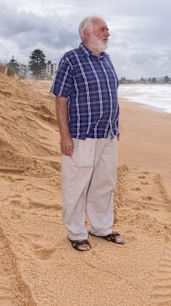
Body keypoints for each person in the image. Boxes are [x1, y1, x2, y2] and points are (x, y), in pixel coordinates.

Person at [50, 15, 124, 251]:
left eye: (107, 29)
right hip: (82, 135)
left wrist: (116, 125)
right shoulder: (71, 60)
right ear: (87, 32)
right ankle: (76, 232)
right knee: (77, 184)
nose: (107, 33)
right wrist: (65, 136)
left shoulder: (107, 59)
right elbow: (61, 99)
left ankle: (102, 228)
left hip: (108, 134)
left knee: (105, 183)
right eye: (103, 29)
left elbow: (113, 95)